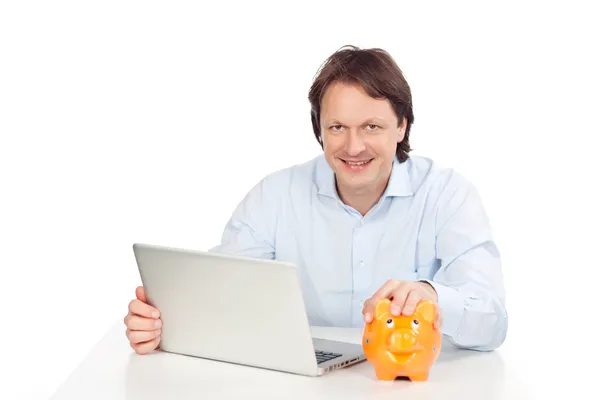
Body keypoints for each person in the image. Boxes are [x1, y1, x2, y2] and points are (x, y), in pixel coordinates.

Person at [124, 45, 508, 355]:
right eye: (337, 127)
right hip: (305, 385)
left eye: (371, 127)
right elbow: (222, 296)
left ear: (402, 125)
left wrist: (434, 295)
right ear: (319, 130)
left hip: (416, 380)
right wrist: (165, 324)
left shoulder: (448, 195)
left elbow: (492, 323)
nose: (353, 147)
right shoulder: (275, 196)